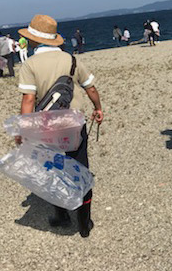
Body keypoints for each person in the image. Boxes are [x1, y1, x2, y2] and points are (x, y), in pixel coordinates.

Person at [16, 14, 104, 238]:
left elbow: (28, 100)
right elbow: (90, 87)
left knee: (52, 169)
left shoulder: (30, 64)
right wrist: (98, 108)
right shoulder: (71, 60)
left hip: (46, 127)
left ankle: (62, 216)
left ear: (35, 39)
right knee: (80, 168)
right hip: (74, 124)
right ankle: (84, 223)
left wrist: (24, 129)